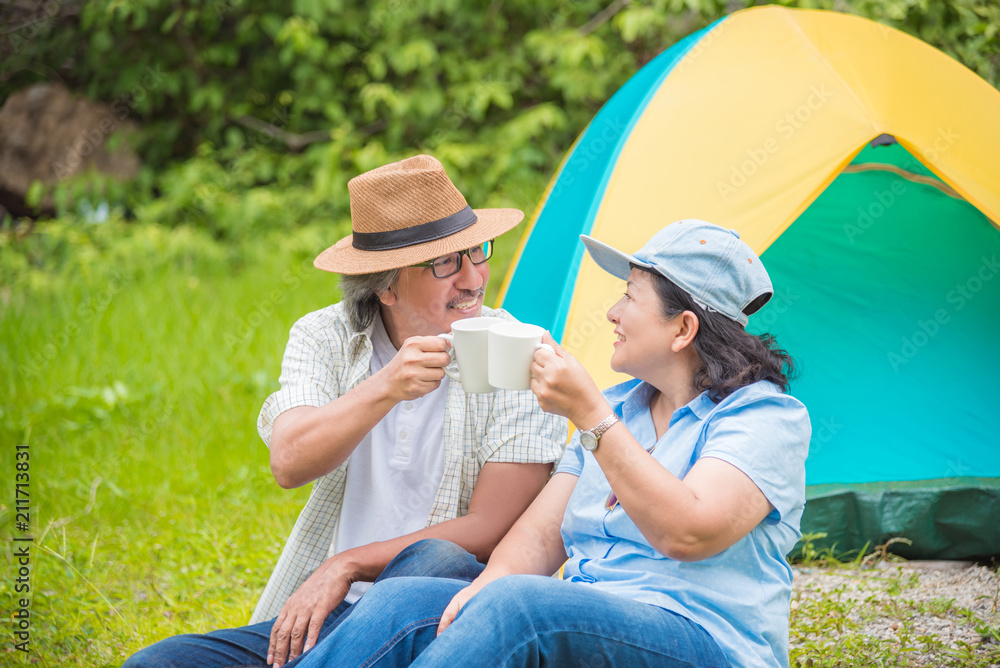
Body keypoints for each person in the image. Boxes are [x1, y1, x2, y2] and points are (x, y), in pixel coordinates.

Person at [291, 219, 811, 668]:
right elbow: (540, 538)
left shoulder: (763, 418)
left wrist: (590, 415)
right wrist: (482, 589)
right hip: (594, 621)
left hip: (703, 639)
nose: (611, 312)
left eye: (629, 296)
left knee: (520, 607)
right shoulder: (625, 407)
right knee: (410, 600)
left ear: (683, 329)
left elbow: (690, 534)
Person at [124, 155, 567, 667]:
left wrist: (348, 564)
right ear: (386, 285)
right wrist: (385, 388)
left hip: (446, 618)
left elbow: (491, 526)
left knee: (436, 558)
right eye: (445, 263)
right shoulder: (325, 336)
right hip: (333, 618)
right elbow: (290, 462)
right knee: (155, 664)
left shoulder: (514, 348)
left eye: (476, 252)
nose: (473, 278)